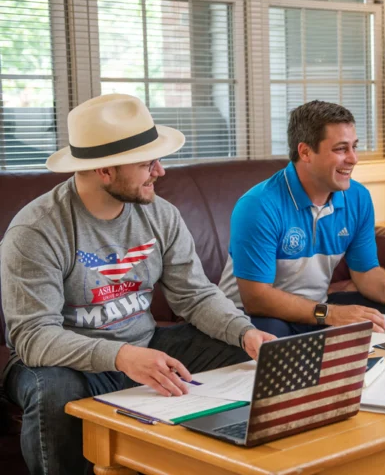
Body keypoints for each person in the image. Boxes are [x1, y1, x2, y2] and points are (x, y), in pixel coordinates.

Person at [0, 94, 276, 475]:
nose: (160, 171)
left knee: (243, 356)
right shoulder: (37, 230)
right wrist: (121, 357)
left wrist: (245, 333)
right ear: (105, 170)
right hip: (63, 363)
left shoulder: (161, 215)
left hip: (143, 344)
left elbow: (195, 296)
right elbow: (33, 337)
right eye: (147, 163)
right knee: (55, 392)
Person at [218, 100, 385, 337]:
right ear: (305, 152)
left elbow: (366, 271)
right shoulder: (259, 205)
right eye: (341, 149)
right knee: (274, 335)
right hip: (250, 315)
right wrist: (332, 314)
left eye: (354, 147)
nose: (353, 158)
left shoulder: (358, 197)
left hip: (316, 311)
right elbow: (256, 299)